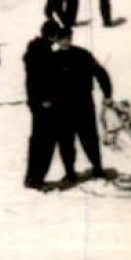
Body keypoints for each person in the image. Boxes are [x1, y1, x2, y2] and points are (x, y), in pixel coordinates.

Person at [50, 27, 114, 183]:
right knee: (65, 140)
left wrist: (107, 93)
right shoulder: (52, 58)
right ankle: (70, 172)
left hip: (83, 102)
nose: (65, 41)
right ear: (57, 40)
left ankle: (97, 168)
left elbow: (101, 73)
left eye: (68, 38)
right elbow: (46, 82)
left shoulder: (82, 54)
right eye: (62, 38)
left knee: (89, 137)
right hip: (62, 105)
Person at [22, 21, 64, 189]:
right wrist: (45, 99)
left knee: (39, 140)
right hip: (44, 103)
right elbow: (40, 78)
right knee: (44, 141)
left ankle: (32, 177)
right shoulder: (42, 51)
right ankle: (36, 179)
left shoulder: (36, 49)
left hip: (37, 101)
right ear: (52, 35)